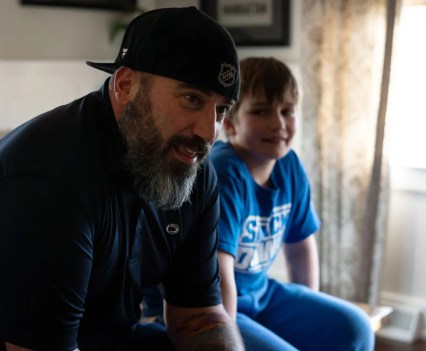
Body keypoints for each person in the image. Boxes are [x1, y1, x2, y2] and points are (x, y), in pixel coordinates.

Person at [0, 7, 245, 351]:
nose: (209, 132)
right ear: (127, 84)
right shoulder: (50, 177)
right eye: (192, 99)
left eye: (221, 110)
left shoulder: (190, 166)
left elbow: (199, 318)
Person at [210, 57, 375, 350]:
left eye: (287, 111)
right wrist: (224, 339)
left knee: (356, 328)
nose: (279, 124)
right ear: (231, 124)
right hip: (218, 307)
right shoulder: (225, 174)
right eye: (261, 111)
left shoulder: (289, 166)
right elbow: (221, 273)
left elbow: (300, 248)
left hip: (262, 294)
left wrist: (309, 311)